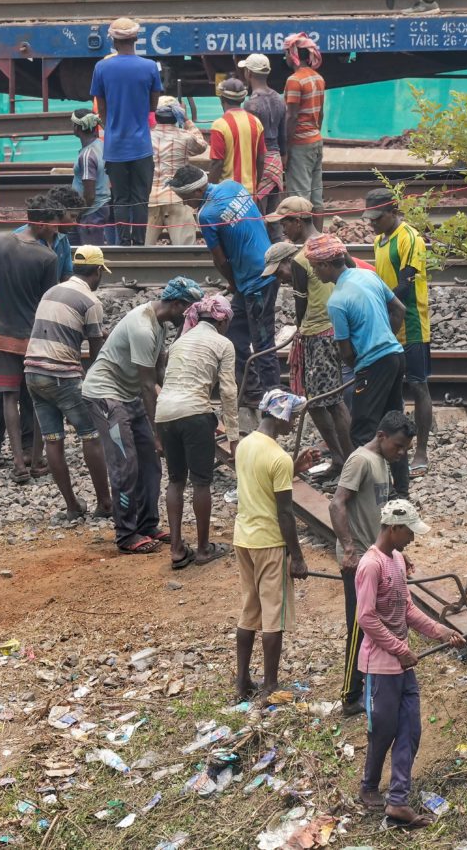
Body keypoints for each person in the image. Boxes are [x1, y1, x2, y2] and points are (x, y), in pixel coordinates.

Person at [356, 499, 464, 826]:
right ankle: (369, 787)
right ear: (393, 529)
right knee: (383, 731)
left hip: (403, 667)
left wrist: (440, 631)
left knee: (410, 730)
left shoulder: (399, 560)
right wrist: (399, 649)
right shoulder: (370, 565)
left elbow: (407, 609)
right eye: (409, 532)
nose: (413, 539)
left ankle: (399, 800)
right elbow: (366, 618)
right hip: (380, 666)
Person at [82, 276, 203, 553]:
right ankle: (126, 534)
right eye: (190, 310)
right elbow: (148, 386)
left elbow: (160, 374)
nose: (191, 316)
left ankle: (147, 524)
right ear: (177, 304)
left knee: (150, 464)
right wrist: (159, 432)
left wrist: (180, 401)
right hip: (105, 395)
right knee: (125, 464)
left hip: (127, 394)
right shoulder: (142, 327)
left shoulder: (159, 324)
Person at [306, 234, 410, 494]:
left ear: (325, 266)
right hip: (396, 357)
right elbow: (399, 309)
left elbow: (345, 350)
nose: (314, 273)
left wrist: (360, 365)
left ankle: (374, 495)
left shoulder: (337, 301)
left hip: (373, 365)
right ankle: (402, 492)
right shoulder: (368, 276)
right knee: (395, 424)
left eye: (314, 267)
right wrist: (386, 336)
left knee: (363, 432)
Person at [233, 388, 319, 701]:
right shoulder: (278, 457)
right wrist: (296, 557)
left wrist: (294, 468)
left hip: (244, 538)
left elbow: (260, 483)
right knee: (273, 617)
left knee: (249, 608)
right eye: (293, 417)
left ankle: (241, 681)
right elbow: (285, 512)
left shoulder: (245, 445)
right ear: (280, 415)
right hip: (270, 542)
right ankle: (270, 684)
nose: (295, 423)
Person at [330, 410, 416, 717]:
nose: (401, 453)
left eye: (406, 448)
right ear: (381, 436)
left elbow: (384, 514)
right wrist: (349, 549)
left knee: (377, 620)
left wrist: (397, 552)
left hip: (377, 555)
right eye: (398, 446)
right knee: (359, 625)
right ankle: (350, 695)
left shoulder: (382, 461)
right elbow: (337, 503)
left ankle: (370, 683)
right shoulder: (360, 460)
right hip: (359, 561)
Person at [168, 166, 279, 405]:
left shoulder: (207, 214)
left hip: (255, 281)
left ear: (198, 190)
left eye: (187, 198)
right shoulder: (233, 185)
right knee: (233, 336)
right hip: (268, 266)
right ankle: (251, 394)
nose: (187, 204)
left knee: (263, 342)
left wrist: (233, 283)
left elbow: (219, 259)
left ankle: (276, 400)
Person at [24, 246, 113, 520]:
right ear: (97, 271)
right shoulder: (91, 301)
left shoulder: (51, 291)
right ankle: (105, 504)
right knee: (91, 436)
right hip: (62, 375)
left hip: (32, 372)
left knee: (53, 440)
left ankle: (72, 507)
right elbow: (97, 355)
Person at [156, 293, 239, 569]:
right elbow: (228, 391)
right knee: (201, 482)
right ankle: (203, 549)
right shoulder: (223, 343)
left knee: (176, 480)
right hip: (195, 414)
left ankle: (177, 549)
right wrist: (235, 438)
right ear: (223, 319)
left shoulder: (180, 342)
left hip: (164, 414)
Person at [262, 235, 353, 474]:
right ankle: (343, 458)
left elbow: (301, 305)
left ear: (286, 261)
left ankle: (346, 461)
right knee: (321, 401)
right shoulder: (312, 256)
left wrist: (300, 329)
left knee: (328, 402)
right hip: (325, 330)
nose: (280, 279)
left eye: (278, 272)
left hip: (320, 333)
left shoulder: (300, 262)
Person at [364, 189, 432, 476]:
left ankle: (421, 451)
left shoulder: (410, 238)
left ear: (393, 212)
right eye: (370, 219)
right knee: (391, 387)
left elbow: (405, 283)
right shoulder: (379, 241)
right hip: (389, 322)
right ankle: (391, 446)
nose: (372, 224)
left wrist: (380, 303)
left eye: (377, 218)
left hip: (413, 323)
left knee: (418, 385)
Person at [0, 199, 59, 481]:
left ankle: (18, 464)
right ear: (43, 224)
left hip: (0, 333)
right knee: (38, 397)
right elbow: (50, 302)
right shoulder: (47, 258)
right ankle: (37, 460)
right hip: (32, 336)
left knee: (9, 397)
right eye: (55, 224)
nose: (58, 229)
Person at [89, 16, 162, 245]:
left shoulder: (101, 67)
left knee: (119, 199)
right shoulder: (150, 67)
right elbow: (153, 106)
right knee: (141, 199)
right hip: (141, 146)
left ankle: (123, 244)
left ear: (112, 41)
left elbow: (101, 108)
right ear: (136, 38)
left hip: (115, 147)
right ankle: (139, 244)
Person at [237, 54, 286, 237]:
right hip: (275, 160)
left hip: (260, 160)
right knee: (274, 216)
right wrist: (282, 160)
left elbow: (253, 140)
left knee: (257, 214)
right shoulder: (279, 99)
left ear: (248, 73)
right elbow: (283, 136)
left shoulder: (251, 104)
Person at [146, 100, 207, 246]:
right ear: (176, 117)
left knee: (143, 247)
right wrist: (186, 120)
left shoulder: (146, 136)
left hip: (149, 199)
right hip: (178, 196)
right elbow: (202, 145)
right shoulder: (185, 137)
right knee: (184, 249)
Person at [283, 33, 325, 222]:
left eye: (286, 52)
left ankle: (305, 243)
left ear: (293, 54)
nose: (284, 57)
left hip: (300, 142)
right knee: (316, 198)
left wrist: (286, 145)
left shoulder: (295, 80)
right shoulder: (318, 78)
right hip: (316, 139)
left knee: (299, 198)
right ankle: (318, 237)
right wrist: (315, 133)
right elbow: (321, 114)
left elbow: (291, 116)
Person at [208, 77, 265, 196]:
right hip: (249, 192)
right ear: (243, 98)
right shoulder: (256, 122)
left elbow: (217, 163)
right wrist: (255, 185)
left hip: (226, 194)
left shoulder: (219, 125)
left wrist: (209, 193)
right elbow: (260, 159)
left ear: (222, 98)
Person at [71, 110, 112, 244]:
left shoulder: (87, 155)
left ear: (77, 128)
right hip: (99, 208)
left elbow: (90, 195)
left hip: (91, 212)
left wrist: (78, 213)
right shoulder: (101, 146)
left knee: (91, 256)